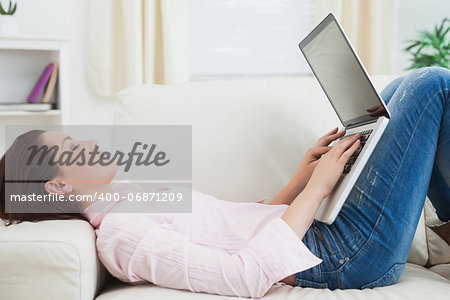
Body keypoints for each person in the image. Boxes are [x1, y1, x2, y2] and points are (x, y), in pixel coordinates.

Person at [0, 66, 449, 298]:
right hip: (343, 258)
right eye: (70, 146)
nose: (86, 141)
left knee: (389, 99)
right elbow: (245, 275)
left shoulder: (127, 199)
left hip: (327, 239)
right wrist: (316, 191)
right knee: (433, 85)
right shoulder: (122, 235)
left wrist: (302, 177)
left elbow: (240, 229)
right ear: (57, 186)